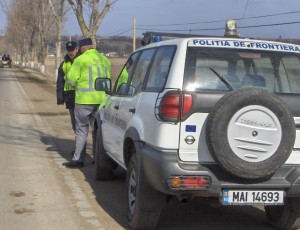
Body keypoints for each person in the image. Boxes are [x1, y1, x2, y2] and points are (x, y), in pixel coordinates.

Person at [62, 38, 111, 168]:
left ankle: (78, 159)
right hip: (101, 101)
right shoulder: (105, 60)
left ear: (83, 47)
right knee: (97, 131)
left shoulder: (80, 60)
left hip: (83, 101)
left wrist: (68, 78)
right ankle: (97, 158)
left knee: (81, 130)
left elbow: (71, 81)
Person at [56, 41, 78, 136]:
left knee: (83, 125)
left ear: (76, 49)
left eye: (72, 50)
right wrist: (60, 98)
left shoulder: (81, 61)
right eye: (69, 50)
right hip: (70, 97)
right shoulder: (64, 64)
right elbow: (60, 82)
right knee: (75, 124)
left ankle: (84, 149)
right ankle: (80, 149)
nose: (70, 52)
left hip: (83, 96)